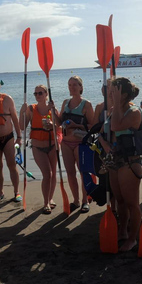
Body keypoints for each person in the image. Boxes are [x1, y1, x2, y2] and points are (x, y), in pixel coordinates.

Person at [103, 77, 142, 252]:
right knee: (119, 199)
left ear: (124, 94)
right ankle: (122, 231)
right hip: (115, 159)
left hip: (130, 161)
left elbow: (115, 126)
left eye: (114, 91)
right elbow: (105, 131)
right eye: (111, 90)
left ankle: (133, 238)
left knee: (132, 203)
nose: (110, 93)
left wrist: (116, 107)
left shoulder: (134, 112)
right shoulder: (115, 110)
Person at [55, 76, 95, 212]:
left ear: (81, 87)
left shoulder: (86, 104)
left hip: (81, 143)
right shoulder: (65, 102)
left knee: (83, 172)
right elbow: (59, 122)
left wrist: (76, 125)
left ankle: (85, 201)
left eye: (75, 85)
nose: (72, 87)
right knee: (70, 173)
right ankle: (76, 200)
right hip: (66, 143)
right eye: (70, 85)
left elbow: (93, 126)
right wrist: (52, 110)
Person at [20, 85, 59, 213]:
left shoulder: (52, 109)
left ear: (46, 94)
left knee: (53, 174)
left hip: (52, 145)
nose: (37, 96)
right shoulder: (31, 109)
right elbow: (22, 126)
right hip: (37, 146)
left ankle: (51, 198)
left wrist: (52, 124)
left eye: (40, 93)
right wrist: (21, 112)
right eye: (35, 93)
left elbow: (60, 127)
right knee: (47, 174)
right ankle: (46, 202)